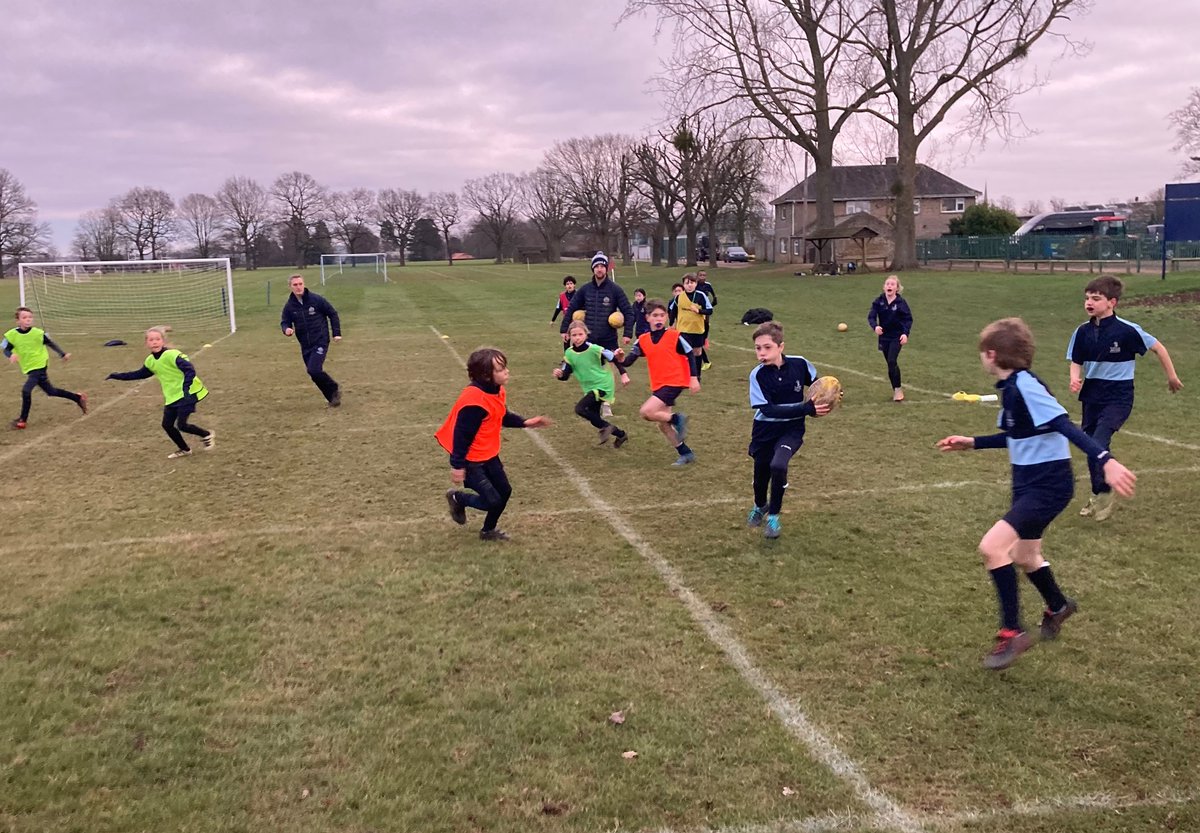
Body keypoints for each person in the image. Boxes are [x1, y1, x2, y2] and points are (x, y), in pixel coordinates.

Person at [937, 317, 1137, 670]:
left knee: (992, 548)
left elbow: (1064, 424)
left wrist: (1104, 459)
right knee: (1025, 555)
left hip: (1048, 484)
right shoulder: (1012, 387)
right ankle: (1058, 606)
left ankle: (1012, 631)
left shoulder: (1025, 386)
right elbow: (1018, 436)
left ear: (992, 354)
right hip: (1029, 483)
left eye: (982, 352)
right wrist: (974, 443)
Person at [1066, 275, 1182, 521]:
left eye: (1096, 298)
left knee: (1098, 441)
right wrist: (1075, 378)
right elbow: (1076, 360)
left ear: (1112, 302)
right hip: (1092, 396)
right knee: (1091, 446)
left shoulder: (1127, 330)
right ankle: (1100, 491)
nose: (1089, 302)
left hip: (1118, 397)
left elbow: (1158, 348)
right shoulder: (1082, 332)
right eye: (1087, 298)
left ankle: (1106, 489)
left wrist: (1172, 377)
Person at [436, 347, 552, 541]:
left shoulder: (496, 391)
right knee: (493, 501)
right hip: (472, 461)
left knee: (504, 492)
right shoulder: (474, 402)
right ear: (486, 375)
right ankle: (458, 498)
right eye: (500, 369)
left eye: (505, 367)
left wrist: (525, 422)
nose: (507, 371)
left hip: (489, 455)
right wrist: (457, 466)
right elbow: (461, 436)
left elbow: (501, 415)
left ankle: (488, 531)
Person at [746, 321, 831, 539]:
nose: (762, 353)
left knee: (778, 465)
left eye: (767, 347)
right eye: (758, 348)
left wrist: (830, 396)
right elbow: (768, 409)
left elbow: (819, 387)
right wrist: (806, 408)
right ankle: (760, 506)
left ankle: (774, 517)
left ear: (781, 346)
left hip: (791, 430)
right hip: (764, 431)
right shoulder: (757, 375)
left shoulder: (800, 364)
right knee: (760, 476)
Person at [106, 326, 214, 459]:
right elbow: (139, 374)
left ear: (163, 341)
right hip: (172, 396)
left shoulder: (172, 355)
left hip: (189, 392)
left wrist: (186, 388)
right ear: (146, 343)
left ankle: (206, 434)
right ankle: (185, 449)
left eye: (157, 339)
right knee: (167, 425)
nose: (154, 342)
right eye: (151, 340)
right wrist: (117, 376)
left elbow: (189, 370)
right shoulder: (150, 361)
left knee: (182, 425)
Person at [615, 299, 700, 466]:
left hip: (675, 381)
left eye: (662, 315)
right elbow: (628, 361)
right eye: (655, 315)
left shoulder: (675, 336)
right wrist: (620, 358)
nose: (659, 319)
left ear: (666, 317)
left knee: (646, 411)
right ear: (647, 318)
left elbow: (690, 354)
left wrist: (693, 377)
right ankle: (686, 453)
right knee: (662, 424)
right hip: (659, 384)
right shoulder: (642, 339)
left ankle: (677, 418)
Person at [559, 252, 634, 418]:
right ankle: (596, 400)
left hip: (608, 337)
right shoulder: (585, 289)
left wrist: (628, 333)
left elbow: (628, 312)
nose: (600, 269)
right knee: (593, 371)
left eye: (602, 266)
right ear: (593, 269)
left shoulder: (615, 289)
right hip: (590, 338)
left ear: (606, 268)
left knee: (609, 370)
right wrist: (564, 329)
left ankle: (607, 404)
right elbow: (571, 309)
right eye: (597, 266)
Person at [2, 306, 87, 429]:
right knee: (51, 391)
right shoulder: (12, 335)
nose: (28, 319)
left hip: (39, 365)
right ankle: (78, 398)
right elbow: (6, 349)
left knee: (26, 390)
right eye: (24, 317)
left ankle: (22, 420)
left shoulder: (38, 333)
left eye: (30, 317)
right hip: (29, 367)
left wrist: (62, 354)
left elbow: (51, 344)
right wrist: (11, 355)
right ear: (18, 321)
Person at [554, 320, 628, 448]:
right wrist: (560, 374)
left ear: (586, 334)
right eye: (574, 335)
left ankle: (608, 428)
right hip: (589, 387)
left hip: (603, 384)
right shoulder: (569, 353)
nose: (577, 338)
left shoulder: (595, 349)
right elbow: (566, 374)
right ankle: (621, 434)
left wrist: (623, 374)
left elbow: (613, 358)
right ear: (569, 336)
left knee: (580, 409)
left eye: (580, 334)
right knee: (594, 418)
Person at [280, 274, 343, 407]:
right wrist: (286, 329)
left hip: (320, 340)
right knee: (313, 372)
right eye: (295, 285)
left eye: (300, 284)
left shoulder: (316, 300)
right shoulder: (290, 306)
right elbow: (285, 322)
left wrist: (336, 333)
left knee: (314, 369)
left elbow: (332, 313)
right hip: (305, 344)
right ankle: (332, 398)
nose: (298, 287)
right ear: (290, 287)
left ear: (304, 284)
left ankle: (333, 388)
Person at [867, 275, 913, 401]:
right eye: (887, 284)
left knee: (892, 360)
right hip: (884, 337)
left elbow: (908, 319)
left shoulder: (901, 303)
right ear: (884, 287)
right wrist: (875, 326)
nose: (889, 286)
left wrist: (905, 334)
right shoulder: (879, 301)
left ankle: (898, 391)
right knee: (890, 364)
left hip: (897, 337)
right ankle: (896, 388)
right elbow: (871, 316)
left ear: (897, 288)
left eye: (892, 284)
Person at [667, 273, 712, 378]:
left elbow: (710, 310)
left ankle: (696, 376)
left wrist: (699, 311)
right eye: (687, 283)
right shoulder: (678, 297)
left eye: (692, 282)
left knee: (697, 352)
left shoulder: (701, 296)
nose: (689, 285)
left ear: (696, 284)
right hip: (683, 330)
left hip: (697, 329)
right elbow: (673, 311)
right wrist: (671, 323)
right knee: (683, 351)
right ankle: (683, 374)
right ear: (683, 285)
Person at [696, 269, 718, 370]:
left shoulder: (708, 285)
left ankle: (704, 340)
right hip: (696, 310)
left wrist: (709, 306)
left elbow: (715, 298)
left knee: (704, 326)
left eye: (704, 275)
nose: (702, 277)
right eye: (700, 275)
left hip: (704, 311)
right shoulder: (695, 285)